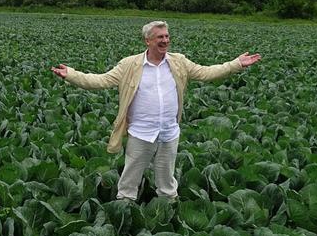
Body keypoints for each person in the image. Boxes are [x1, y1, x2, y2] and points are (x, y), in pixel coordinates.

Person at [51, 21, 261, 202]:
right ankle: (124, 209)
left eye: (167, 36)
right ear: (148, 41)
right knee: (129, 179)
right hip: (141, 132)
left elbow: (206, 72)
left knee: (167, 179)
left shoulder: (178, 62)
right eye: (159, 37)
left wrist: (235, 65)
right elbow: (99, 80)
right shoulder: (130, 65)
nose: (165, 40)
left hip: (169, 132)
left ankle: (169, 207)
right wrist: (71, 74)